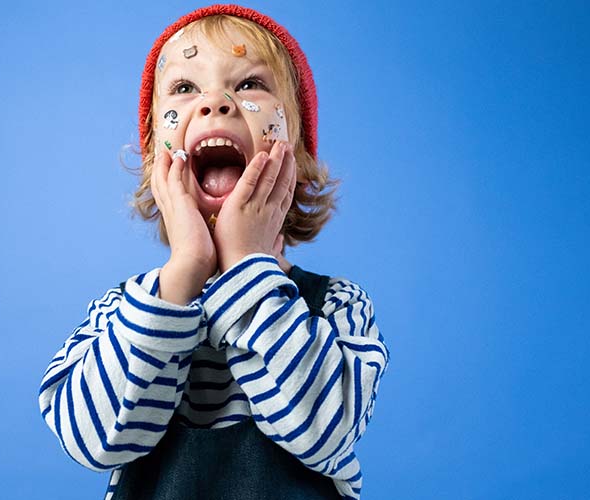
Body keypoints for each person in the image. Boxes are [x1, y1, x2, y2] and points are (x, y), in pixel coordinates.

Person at [38, 5, 389, 499]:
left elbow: (326, 430)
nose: (215, 104)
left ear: (297, 156)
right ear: (154, 161)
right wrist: (184, 271)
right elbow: (91, 441)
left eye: (249, 84)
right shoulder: (124, 312)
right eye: (185, 88)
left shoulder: (336, 305)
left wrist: (246, 265)